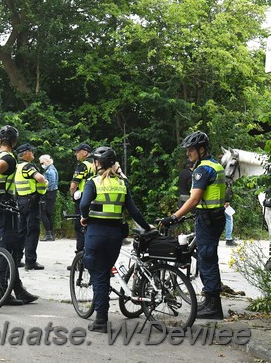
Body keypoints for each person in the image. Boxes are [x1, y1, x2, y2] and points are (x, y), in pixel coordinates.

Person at [80, 146, 151, 333]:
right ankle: (101, 315)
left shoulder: (93, 182)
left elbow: (84, 204)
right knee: (104, 272)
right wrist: (146, 226)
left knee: (99, 275)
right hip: (115, 237)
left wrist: (84, 217)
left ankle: (101, 320)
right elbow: (134, 211)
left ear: (97, 163)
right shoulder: (122, 184)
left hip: (96, 234)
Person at [161, 131, 226, 320]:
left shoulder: (202, 170)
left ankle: (213, 307)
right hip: (216, 217)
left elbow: (194, 199)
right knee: (207, 257)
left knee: (207, 259)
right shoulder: (215, 165)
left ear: (201, 149)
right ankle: (209, 301)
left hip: (207, 219)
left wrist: (174, 217)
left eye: (191, 150)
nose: (188, 153)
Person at [0, 125, 38, 306]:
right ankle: (3, 293)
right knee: (6, 247)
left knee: (8, 247)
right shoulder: (8, 158)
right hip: (4, 205)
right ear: (14, 141)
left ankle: (17, 288)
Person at [14, 143, 47, 270]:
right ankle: (30, 261)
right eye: (31, 151)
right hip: (31, 201)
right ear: (26, 153)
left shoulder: (17, 166)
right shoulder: (28, 166)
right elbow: (39, 178)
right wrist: (44, 181)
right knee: (33, 231)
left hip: (21, 201)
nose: (33, 153)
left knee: (21, 231)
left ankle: (17, 259)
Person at [70, 143, 94, 253]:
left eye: (77, 151)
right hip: (97, 198)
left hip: (83, 197)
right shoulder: (97, 163)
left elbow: (74, 185)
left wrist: (73, 196)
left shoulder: (83, 165)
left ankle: (80, 257)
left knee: (80, 226)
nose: (76, 154)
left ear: (85, 152)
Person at [39, 154, 59, 242]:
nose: (41, 165)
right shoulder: (52, 169)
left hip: (49, 194)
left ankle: (48, 234)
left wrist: (43, 191)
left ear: (47, 161)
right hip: (52, 194)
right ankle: (51, 234)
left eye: (42, 163)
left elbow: (50, 184)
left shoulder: (50, 171)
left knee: (43, 213)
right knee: (48, 214)